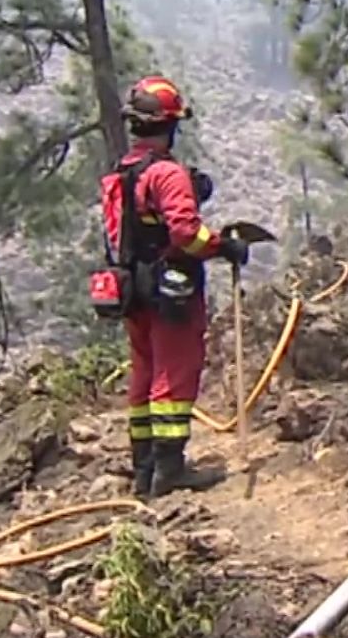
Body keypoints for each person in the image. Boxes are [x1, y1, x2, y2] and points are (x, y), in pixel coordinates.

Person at [99, 75, 248, 498]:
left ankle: (144, 469)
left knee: (144, 372)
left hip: (132, 288)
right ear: (171, 125)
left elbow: (123, 232)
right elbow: (185, 233)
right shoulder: (166, 174)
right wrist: (223, 247)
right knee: (174, 372)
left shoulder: (119, 175)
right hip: (170, 290)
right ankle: (170, 469)